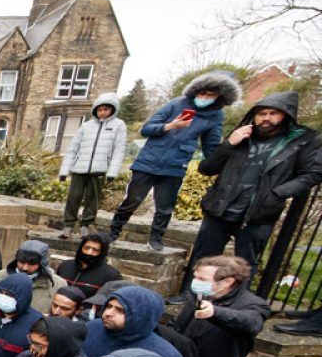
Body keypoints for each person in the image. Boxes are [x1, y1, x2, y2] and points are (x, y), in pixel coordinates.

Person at [172, 91, 322, 303]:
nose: (266, 118)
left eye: (273, 113)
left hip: (259, 212)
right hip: (221, 207)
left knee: (246, 263)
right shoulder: (241, 135)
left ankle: (235, 304)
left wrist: (278, 192)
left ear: (286, 115)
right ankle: (190, 296)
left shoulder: (301, 141)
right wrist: (229, 144)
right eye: (261, 113)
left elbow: (313, 174)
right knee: (204, 256)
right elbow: (207, 168)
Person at [109, 71, 242, 250]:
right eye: (202, 93)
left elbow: (210, 147)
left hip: (175, 166)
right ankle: (113, 232)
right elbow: (146, 128)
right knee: (132, 200)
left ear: (220, 97)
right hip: (148, 161)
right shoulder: (176, 104)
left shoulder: (215, 116)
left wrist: (224, 154)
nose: (204, 97)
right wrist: (169, 126)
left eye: (210, 95)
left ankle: (156, 238)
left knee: (165, 207)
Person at [169, 256, 269, 357]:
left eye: (202, 279)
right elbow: (177, 324)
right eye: (195, 277)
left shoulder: (253, 304)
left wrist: (215, 312)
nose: (195, 282)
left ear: (227, 282)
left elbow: (251, 323)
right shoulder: (199, 295)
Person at [81, 285, 189, 357]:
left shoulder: (166, 356)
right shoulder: (91, 329)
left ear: (141, 316)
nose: (108, 313)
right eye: (109, 306)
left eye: (120, 310)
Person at [59, 93, 128, 238]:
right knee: (74, 197)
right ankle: (68, 225)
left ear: (112, 110)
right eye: (100, 109)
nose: (102, 112)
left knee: (93, 199)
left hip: (99, 168)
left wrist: (112, 172)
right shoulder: (86, 126)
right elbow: (73, 148)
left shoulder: (118, 126)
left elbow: (119, 150)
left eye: (106, 109)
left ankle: (85, 225)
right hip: (80, 168)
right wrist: (64, 171)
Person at [0, 240, 67, 313]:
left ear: (42, 264)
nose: (25, 268)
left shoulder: (57, 285)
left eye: (31, 264)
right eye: (22, 262)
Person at [56, 233, 122, 299]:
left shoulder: (112, 275)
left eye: (95, 250)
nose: (89, 252)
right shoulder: (65, 266)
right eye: (87, 248)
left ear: (102, 252)